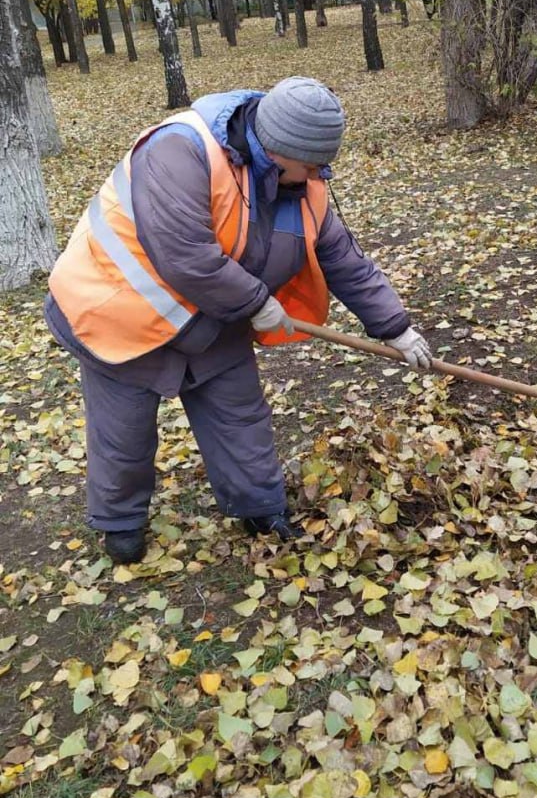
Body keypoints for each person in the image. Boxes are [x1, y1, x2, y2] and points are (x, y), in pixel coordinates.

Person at [44, 78, 432, 564]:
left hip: (214, 317)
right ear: (278, 147)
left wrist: (395, 326)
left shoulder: (304, 186)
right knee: (123, 430)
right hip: (118, 312)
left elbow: (344, 261)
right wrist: (254, 301)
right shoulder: (179, 151)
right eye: (312, 164)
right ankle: (121, 521)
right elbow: (186, 257)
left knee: (240, 416)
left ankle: (260, 508)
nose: (320, 175)